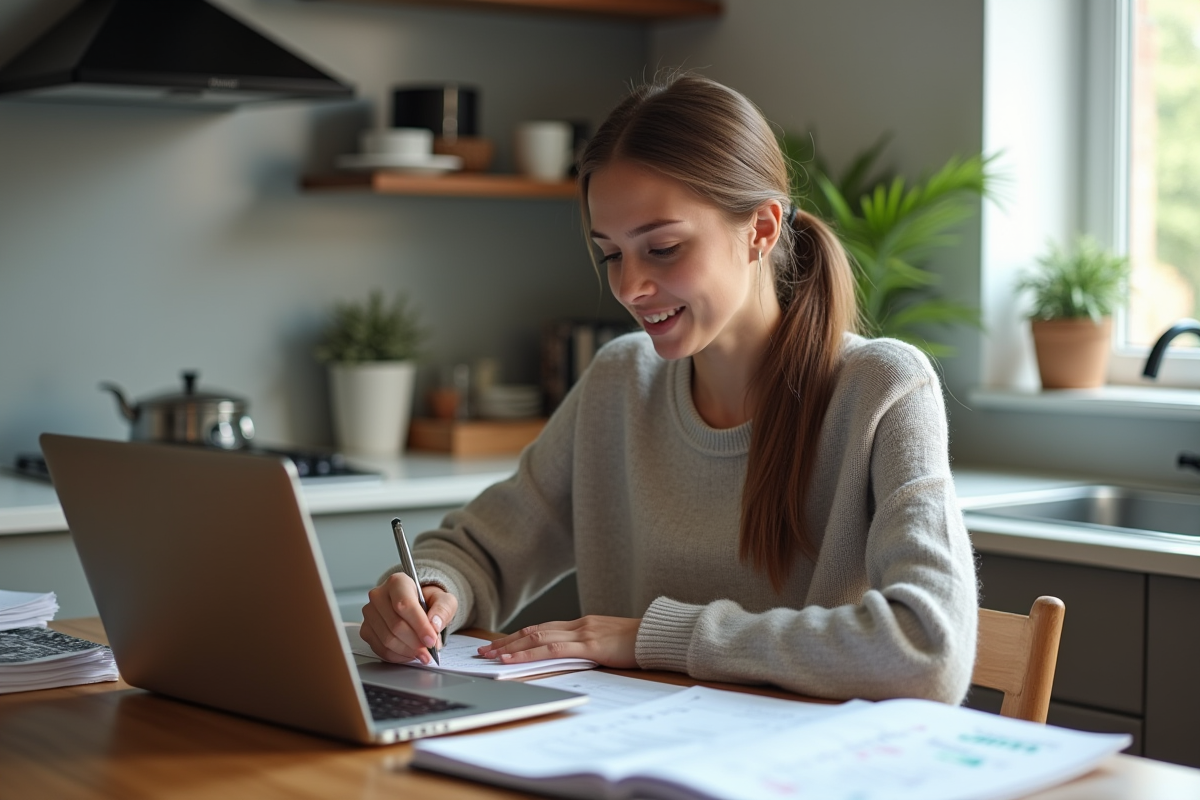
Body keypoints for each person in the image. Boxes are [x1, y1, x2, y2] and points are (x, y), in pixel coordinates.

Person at [360, 72, 978, 704]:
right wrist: (431, 592)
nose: (629, 288)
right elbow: (483, 551)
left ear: (761, 230)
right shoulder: (620, 381)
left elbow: (928, 649)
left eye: (662, 248)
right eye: (611, 254)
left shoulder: (882, 390)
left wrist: (656, 638)